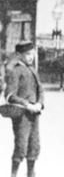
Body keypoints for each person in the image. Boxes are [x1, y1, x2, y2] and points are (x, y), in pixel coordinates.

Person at [4, 41, 44, 177]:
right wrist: (27, 105)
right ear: (19, 55)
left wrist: (39, 103)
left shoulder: (33, 70)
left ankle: (30, 174)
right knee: (21, 145)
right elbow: (10, 96)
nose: (31, 57)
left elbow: (41, 90)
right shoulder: (15, 71)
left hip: (34, 113)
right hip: (22, 115)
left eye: (32, 54)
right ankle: (13, 174)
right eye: (27, 54)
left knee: (34, 145)